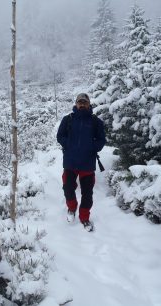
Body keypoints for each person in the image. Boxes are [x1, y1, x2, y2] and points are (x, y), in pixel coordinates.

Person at [57, 93, 106, 231]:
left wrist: (92, 147)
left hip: (87, 164)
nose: (82, 104)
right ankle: (72, 208)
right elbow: (60, 136)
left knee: (87, 194)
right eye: (80, 102)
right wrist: (68, 145)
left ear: (89, 104)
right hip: (70, 163)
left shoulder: (96, 121)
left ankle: (84, 218)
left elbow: (102, 140)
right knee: (68, 188)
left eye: (85, 102)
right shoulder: (68, 119)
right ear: (76, 103)